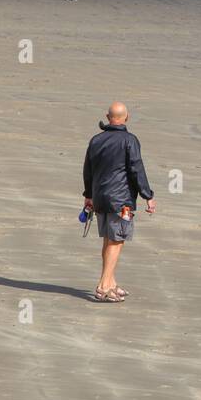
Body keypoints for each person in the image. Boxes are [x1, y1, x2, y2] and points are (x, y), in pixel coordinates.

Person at [82, 102, 156, 302]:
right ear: (127, 117)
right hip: (120, 200)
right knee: (116, 240)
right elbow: (136, 169)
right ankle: (104, 286)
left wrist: (88, 195)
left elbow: (88, 170)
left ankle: (112, 283)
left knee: (109, 239)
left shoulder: (96, 140)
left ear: (108, 117)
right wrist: (147, 195)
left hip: (100, 197)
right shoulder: (129, 140)